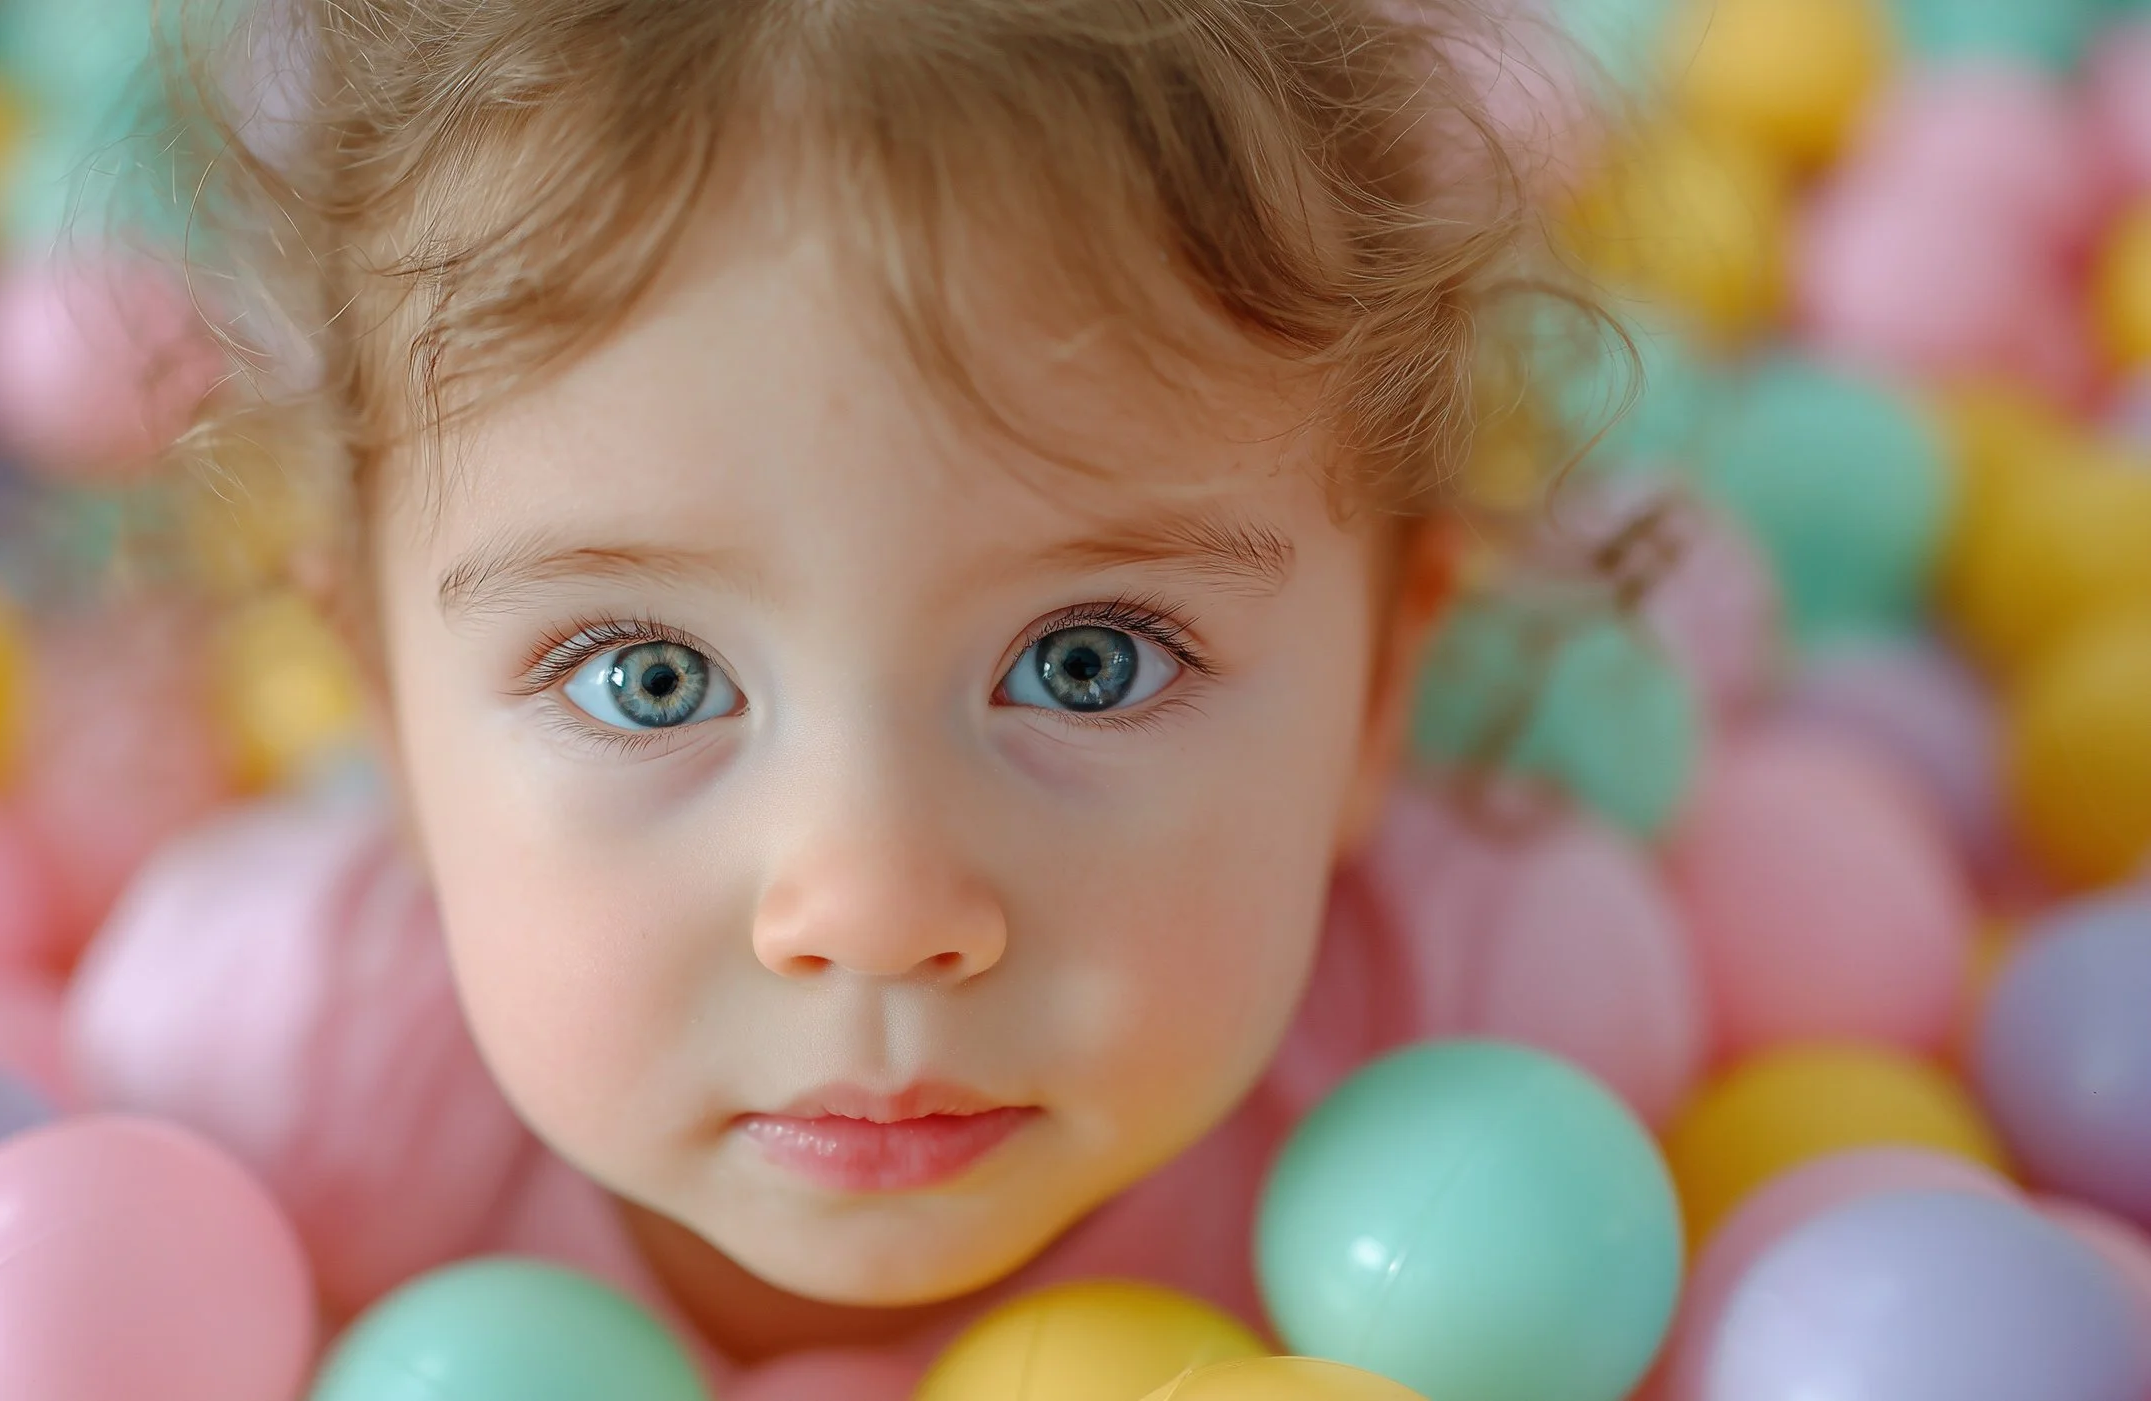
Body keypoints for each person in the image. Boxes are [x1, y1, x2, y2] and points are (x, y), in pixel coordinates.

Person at [163, 0, 1581, 1386]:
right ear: (389, 719)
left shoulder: (1496, 1070)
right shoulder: (255, 1109)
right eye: (651, 680)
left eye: (1087, 664)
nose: (875, 908)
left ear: (1385, 683)